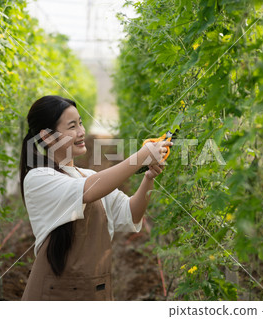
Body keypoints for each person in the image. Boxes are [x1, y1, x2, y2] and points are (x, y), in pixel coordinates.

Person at [19, 95, 172, 300]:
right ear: (46, 136)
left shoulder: (87, 176)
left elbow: (131, 214)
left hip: (94, 293)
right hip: (54, 296)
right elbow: (88, 191)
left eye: (80, 123)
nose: (81, 132)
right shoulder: (38, 178)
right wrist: (141, 156)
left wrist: (148, 177)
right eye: (72, 126)